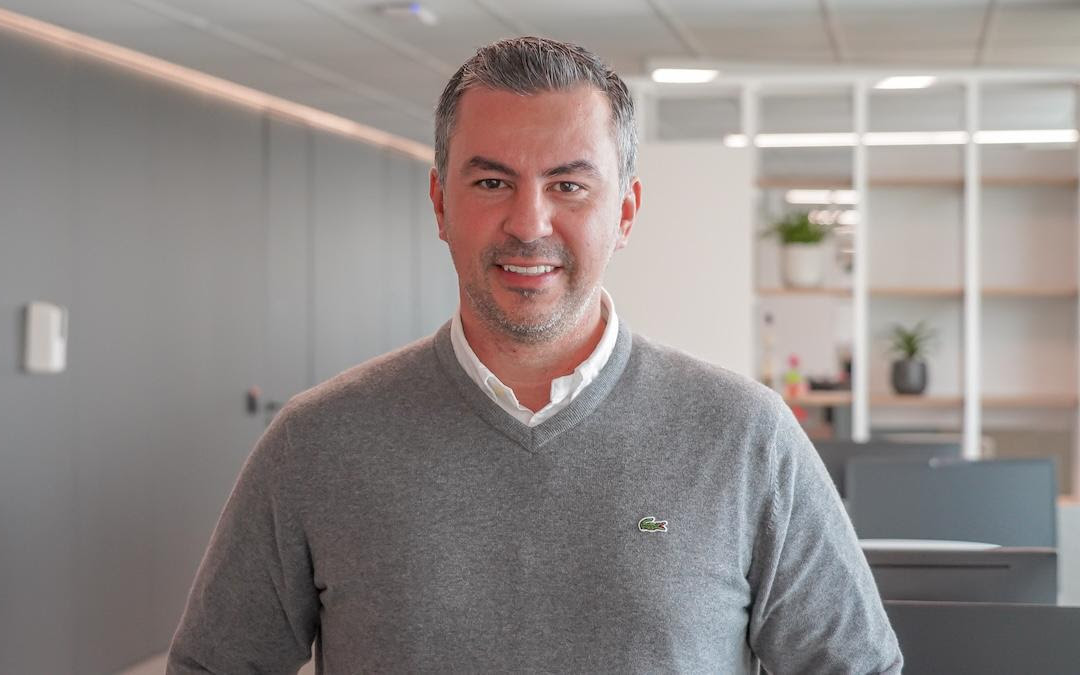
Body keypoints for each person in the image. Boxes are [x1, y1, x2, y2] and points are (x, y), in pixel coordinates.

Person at [167, 37, 902, 674]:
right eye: (492, 182)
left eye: (568, 185)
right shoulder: (317, 442)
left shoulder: (744, 436)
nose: (529, 223)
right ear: (440, 204)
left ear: (624, 213)